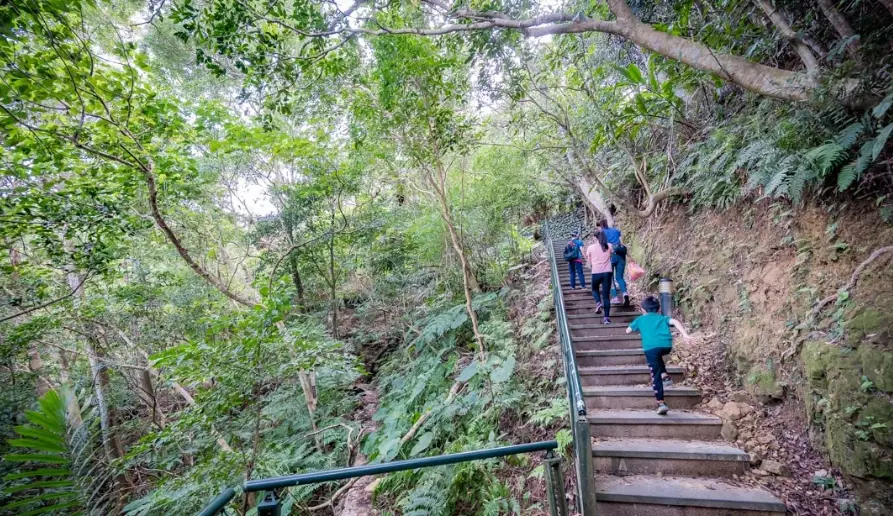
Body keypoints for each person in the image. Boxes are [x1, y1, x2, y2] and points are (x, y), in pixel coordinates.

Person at [625, 296, 692, 415]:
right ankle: (665, 376)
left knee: (655, 375)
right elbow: (675, 321)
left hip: (651, 348)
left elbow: (628, 330)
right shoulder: (662, 318)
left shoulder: (640, 319)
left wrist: (635, 328)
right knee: (657, 357)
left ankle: (661, 403)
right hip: (666, 346)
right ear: (658, 309)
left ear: (642, 310)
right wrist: (685, 335)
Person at [583, 230, 613, 324]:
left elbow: (589, 262)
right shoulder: (609, 246)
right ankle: (606, 318)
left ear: (596, 237)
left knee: (594, 289)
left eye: (593, 236)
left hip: (596, 272)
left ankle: (598, 302)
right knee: (606, 296)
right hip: (607, 272)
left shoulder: (590, 247)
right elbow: (610, 256)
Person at [599, 219, 629, 308]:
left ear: (601, 225)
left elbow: (602, 246)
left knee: (610, 278)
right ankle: (625, 294)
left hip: (610, 256)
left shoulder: (602, 233)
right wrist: (629, 256)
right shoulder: (616, 230)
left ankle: (615, 297)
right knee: (619, 277)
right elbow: (622, 243)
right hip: (621, 255)